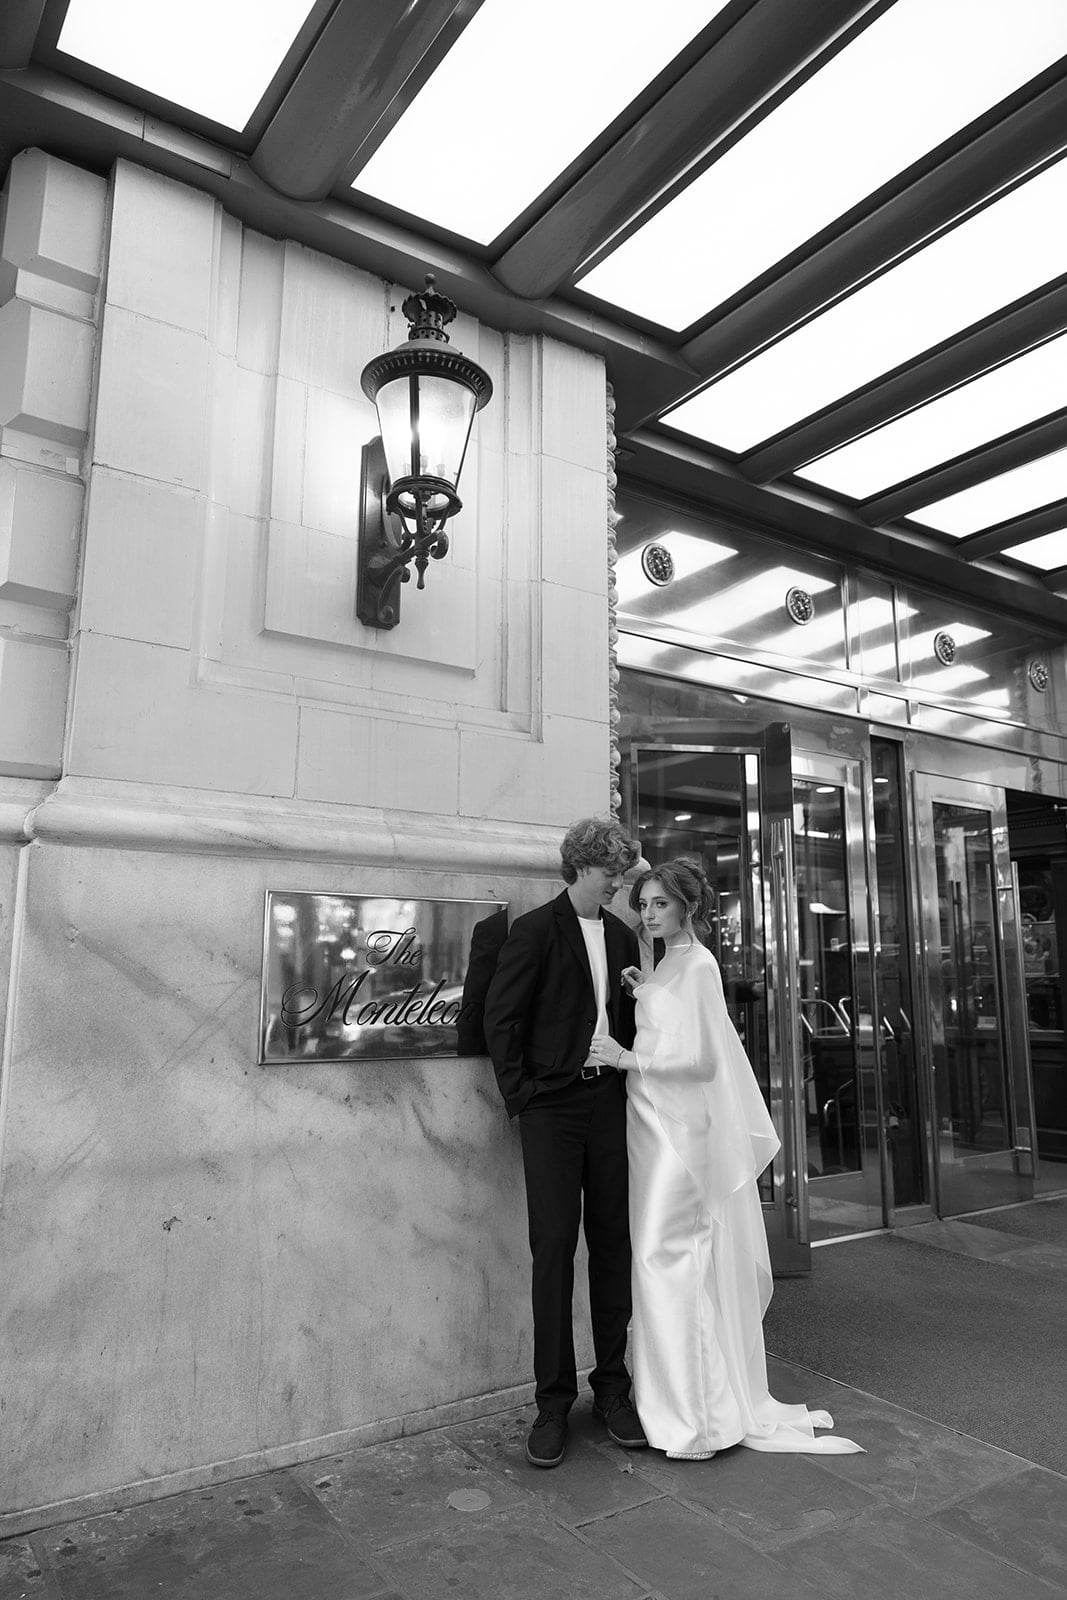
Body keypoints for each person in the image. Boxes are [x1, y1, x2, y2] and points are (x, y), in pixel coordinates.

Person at [586, 856, 863, 1461]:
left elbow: (707, 1064)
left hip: (678, 1137)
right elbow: (679, 1027)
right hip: (653, 1127)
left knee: (665, 1261)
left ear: (689, 907)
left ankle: (697, 1422)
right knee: (665, 1262)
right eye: (645, 903)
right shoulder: (672, 963)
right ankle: (685, 1406)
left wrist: (624, 1057)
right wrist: (645, 990)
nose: (649, 913)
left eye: (662, 903)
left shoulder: (701, 964)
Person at [484, 817, 648, 1468]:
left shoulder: (622, 935)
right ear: (581, 866)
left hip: (609, 1104)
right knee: (553, 1250)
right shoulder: (532, 931)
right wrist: (523, 1097)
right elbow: (502, 1020)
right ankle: (551, 1404)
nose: (619, 882)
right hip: (551, 1112)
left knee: (612, 1244)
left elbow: (635, 1022)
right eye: (612, 871)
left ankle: (611, 1390)